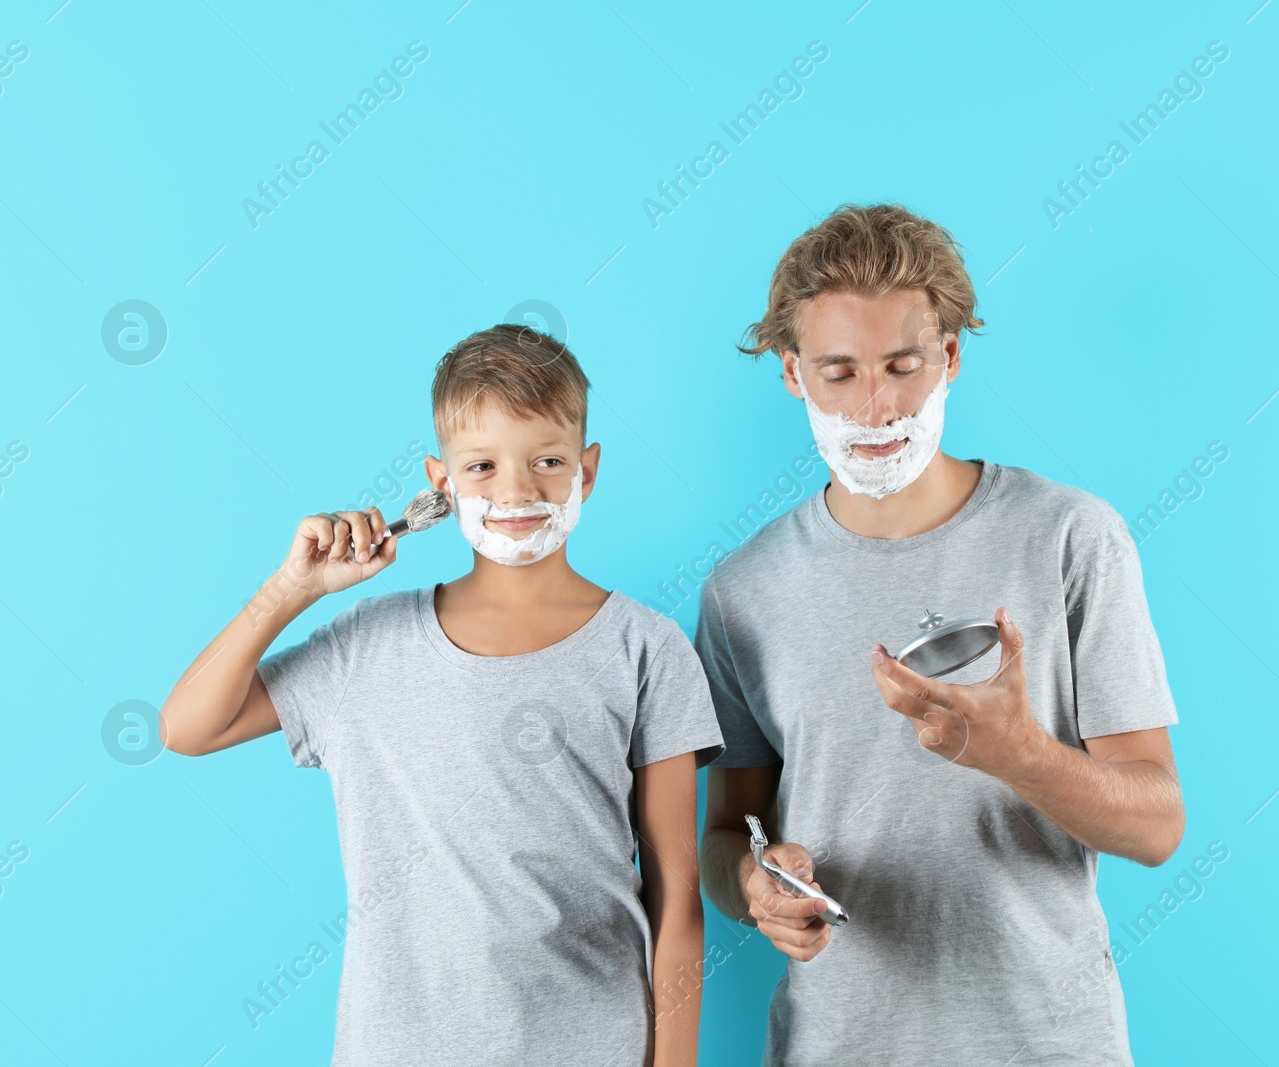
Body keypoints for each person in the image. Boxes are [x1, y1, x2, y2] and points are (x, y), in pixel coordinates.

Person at [694, 204, 1186, 1065]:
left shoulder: (1072, 538)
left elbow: (1157, 826)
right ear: (791, 374)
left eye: (903, 365)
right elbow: (726, 832)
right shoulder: (743, 591)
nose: (876, 405)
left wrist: (1017, 752)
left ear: (950, 357)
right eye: (838, 372)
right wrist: (753, 888)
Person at [159, 324, 724, 1067]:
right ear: (440, 481)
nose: (517, 490)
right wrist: (291, 590)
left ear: (587, 470)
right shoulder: (367, 646)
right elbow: (185, 726)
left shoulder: (646, 648)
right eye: (483, 465)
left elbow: (678, 896)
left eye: (547, 460)